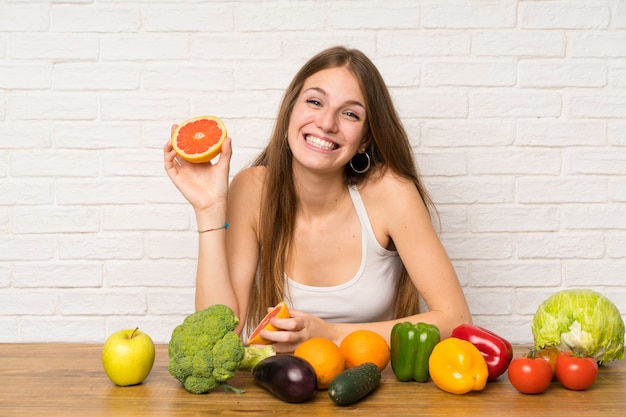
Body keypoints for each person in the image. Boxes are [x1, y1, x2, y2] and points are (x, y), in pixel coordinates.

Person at [163, 46, 471, 353]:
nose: (326, 123)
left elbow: (456, 321)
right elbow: (220, 336)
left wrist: (329, 333)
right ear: (290, 113)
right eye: (314, 101)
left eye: (350, 113)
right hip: (282, 390)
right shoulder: (253, 189)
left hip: (372, 390)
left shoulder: (390, 192)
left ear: (364, 139)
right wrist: (209, 210)